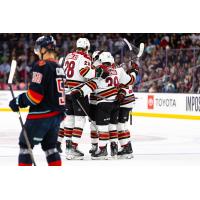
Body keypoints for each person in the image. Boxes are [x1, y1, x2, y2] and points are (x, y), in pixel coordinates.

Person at [9, 35, 66, 166]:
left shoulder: (41, 66)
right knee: (50, 149)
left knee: (25, 147)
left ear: (43, 49)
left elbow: (35, 96)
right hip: (56, 117)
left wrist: (18, 101)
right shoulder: (59, 67)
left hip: (41, 115)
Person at [72, 52, 137, 159]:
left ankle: (102, 150)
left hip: (103, 103)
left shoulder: (101, 71)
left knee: (102, 128)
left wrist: (79, 92)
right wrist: (134, 71)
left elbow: (91, 85)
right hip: (116, 104)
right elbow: (130, 81)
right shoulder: (119, 71)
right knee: (113, 126)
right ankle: (114, 147)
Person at [56, 38, 108, 160]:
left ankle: (69, 148)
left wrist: (94, 67)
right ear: (86, 47)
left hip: (66, 91)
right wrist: (99, 72)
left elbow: (75, 70)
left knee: (69, 120)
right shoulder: (84, 57)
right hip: (78, 93)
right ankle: (73, 148)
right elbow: (84, 72)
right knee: (80, 121)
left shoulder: (69, 55)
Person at [117, 60, 139, 159]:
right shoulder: (129, 77)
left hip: (125, 104)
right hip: (128, 104)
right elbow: (134, 74)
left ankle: (126, 147)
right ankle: (127, 146)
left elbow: (122, 92)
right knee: (123, 126)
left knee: (121, 126)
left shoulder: (123, 78)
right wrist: (134, 70)